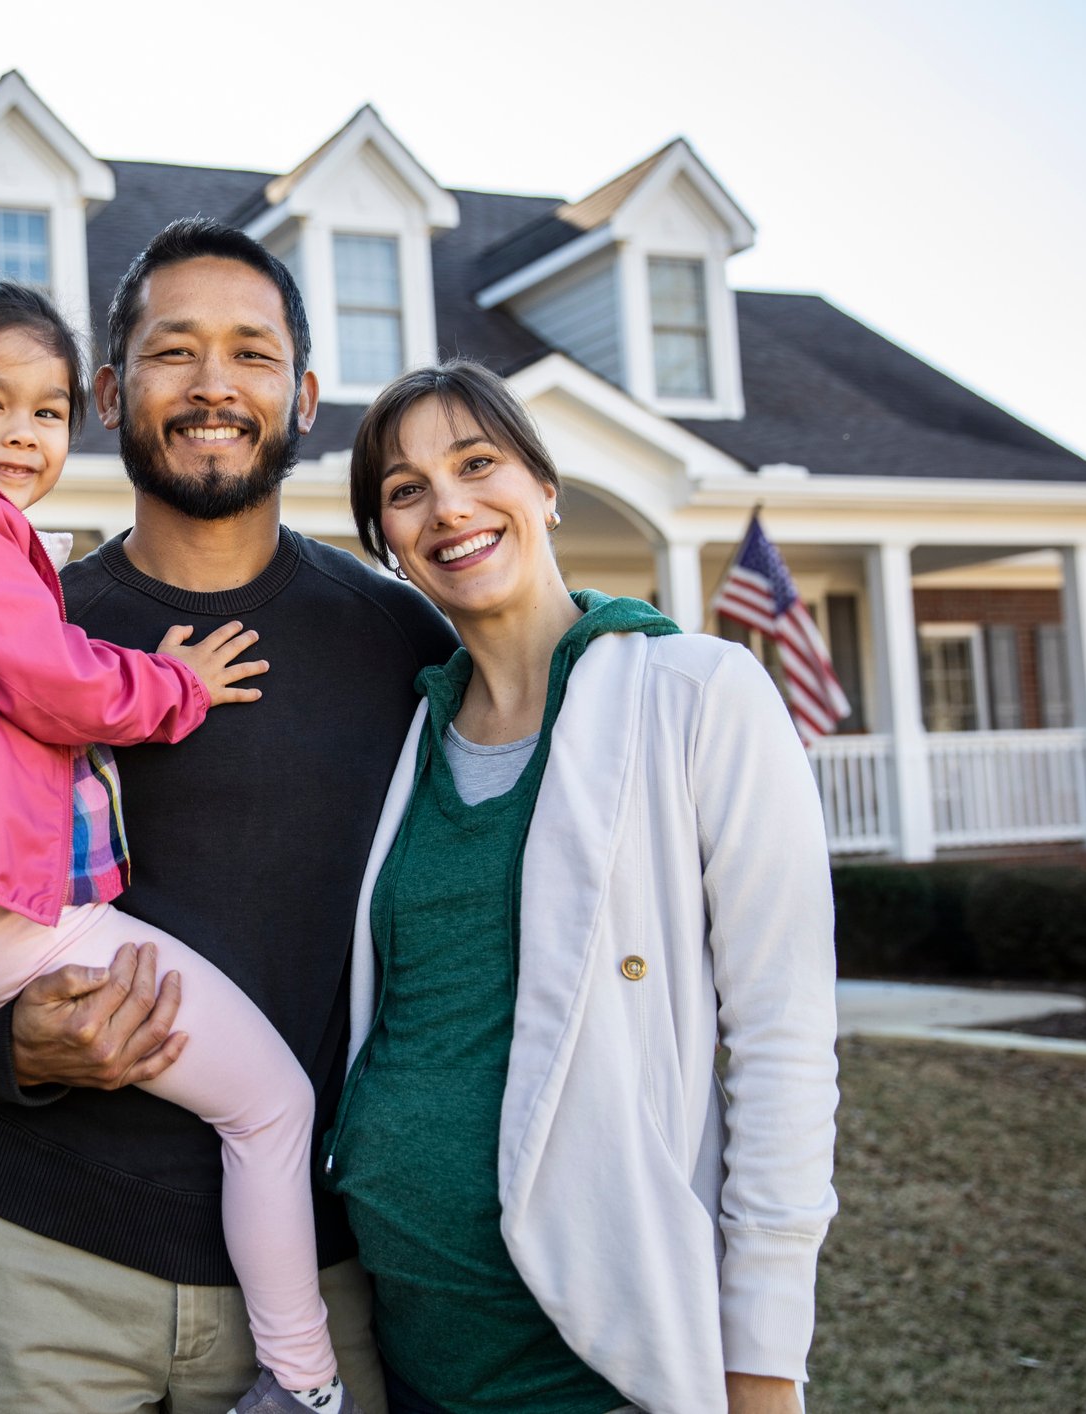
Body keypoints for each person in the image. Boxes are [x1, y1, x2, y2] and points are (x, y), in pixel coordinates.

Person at [0, 219, 455, 1413]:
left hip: (320, 1272)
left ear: (305, 395)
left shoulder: (402, 642)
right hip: (30, 1266)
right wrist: (3, 1048)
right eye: (175, 351)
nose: (215, 383)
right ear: (109, 392)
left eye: (252, 354)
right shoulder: (9, 621)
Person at [324, 359, 840, 1414]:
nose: (449, 505)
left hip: (596, 1363)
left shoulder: (697, 695)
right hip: (408, 1349)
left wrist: (764, 1362)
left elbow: (784, 1039)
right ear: (386, 544)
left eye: (478, 463)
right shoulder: (408, 735)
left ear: (545, 487)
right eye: (405, 490)